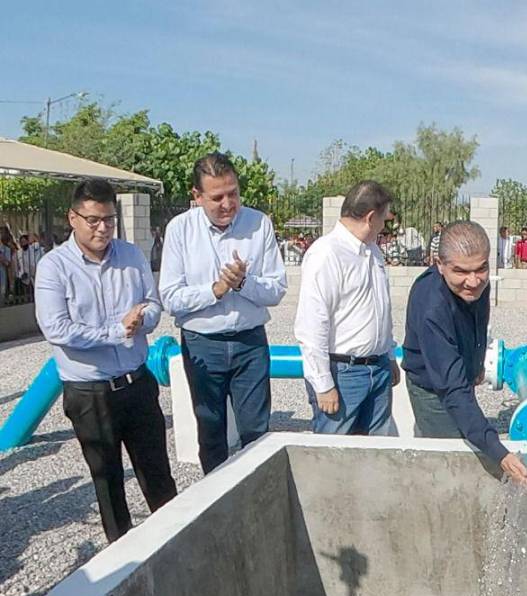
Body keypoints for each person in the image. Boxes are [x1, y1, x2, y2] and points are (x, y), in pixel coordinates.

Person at [35, 179, 176, 542]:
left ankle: (174, 546)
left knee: (158, 476)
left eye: (109, 220)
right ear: (73, 217)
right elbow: (57, 329)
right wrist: (118, 330)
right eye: (93, 220)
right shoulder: (54, 267)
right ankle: (123, 563)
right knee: (109, 483)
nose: (103, 228)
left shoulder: (131, 255)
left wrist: (142, 320)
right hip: (90, 394)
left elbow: (152, 304)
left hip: (137, 385)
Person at [159, 152, 288, 474]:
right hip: (203, 344)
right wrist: (214, 290)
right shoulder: (180, 230)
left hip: (250, 343)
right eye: (217, 197)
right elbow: (171, 297)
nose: (228, 203)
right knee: (211, 432)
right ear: (197, 196)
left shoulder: (259, 223)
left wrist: (243, 282)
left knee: (257, 432)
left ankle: (258, 500)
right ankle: (217, 506)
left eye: (233, 193)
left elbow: (276, 290)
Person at [402, 221, 527, 483]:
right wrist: (499, 452)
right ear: (440, 264)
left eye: (481, 269)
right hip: (432, 390)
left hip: (458, 376)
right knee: (453, 464)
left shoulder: (476, 284)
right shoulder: (432, 309)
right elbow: (451, 389)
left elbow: (479, 321)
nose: (473, 282)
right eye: (461, 271)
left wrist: (477, 363)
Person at [295, 181, 400, 435]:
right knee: (334, 461)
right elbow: (312, 325)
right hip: (343, 374)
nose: (384, 227)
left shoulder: (372, 251)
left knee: (378, 456)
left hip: (378, 370)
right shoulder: (326, 254)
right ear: (371, 217)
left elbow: (378, 309)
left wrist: (388, 354)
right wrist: (323, 384)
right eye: (384, 220)